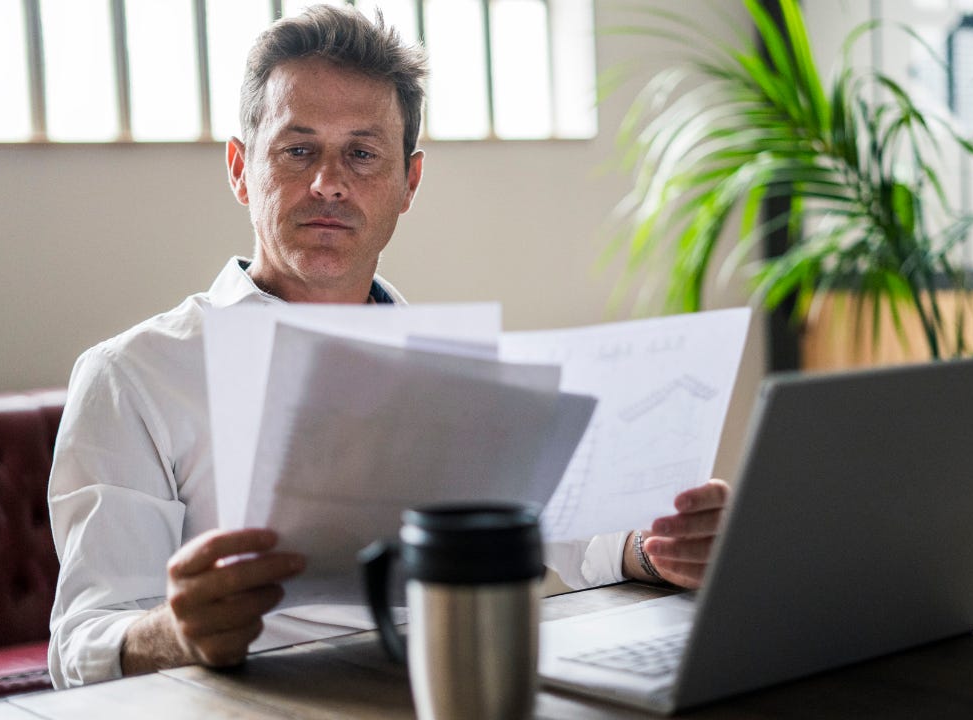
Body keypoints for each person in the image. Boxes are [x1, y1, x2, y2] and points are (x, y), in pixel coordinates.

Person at [47, 4, 729, 689]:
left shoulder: (456, 369)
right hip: (248, 698)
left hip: (449, 685)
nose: (329, 182)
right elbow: (82, 641)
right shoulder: (133, 375)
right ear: (240, 169)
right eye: (298, 148)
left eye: (363, 153)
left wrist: (660, 546)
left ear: (410, 183)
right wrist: (174, 633)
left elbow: (574, 533)